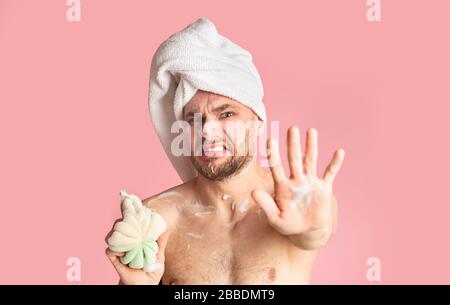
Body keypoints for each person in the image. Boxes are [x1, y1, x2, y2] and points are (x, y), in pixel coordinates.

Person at [105, 18, 345, 285]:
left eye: (226, 114)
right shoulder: (155, 219)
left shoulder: (300, 204)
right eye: (194, 120)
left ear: (257, 121)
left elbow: (314, 232)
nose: (207, 131)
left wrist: (312, 228)